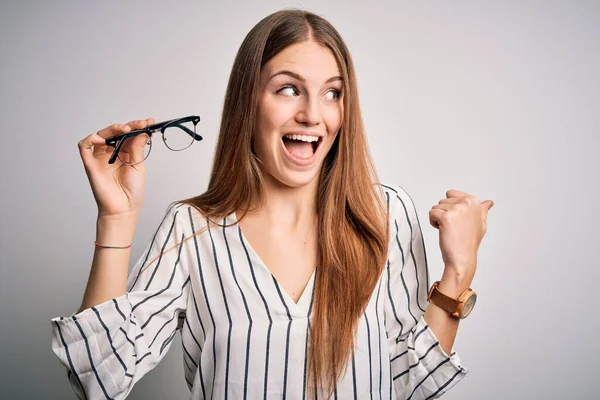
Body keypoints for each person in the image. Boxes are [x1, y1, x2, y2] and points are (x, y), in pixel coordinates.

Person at [50, 8, 493, 400]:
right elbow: (99, 376)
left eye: (332, 93)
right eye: (287, 89)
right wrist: (117, 217)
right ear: (249, 101)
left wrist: (458, 273)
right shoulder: (192, 229)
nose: (313, 115)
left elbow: (410, 384)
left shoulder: (387, 216)